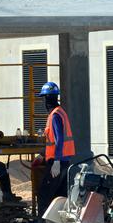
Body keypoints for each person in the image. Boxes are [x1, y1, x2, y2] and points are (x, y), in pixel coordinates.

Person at [37, 81, 75, 213]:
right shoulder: (60, 112)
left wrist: (56, 162)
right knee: (59, 195)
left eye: (44, 98)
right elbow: (53, 140)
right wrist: (42, 154)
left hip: (57, 162)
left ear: (47, 98)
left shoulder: (55, 116)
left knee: (44, 194)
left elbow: (59, 140)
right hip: (64, 161)